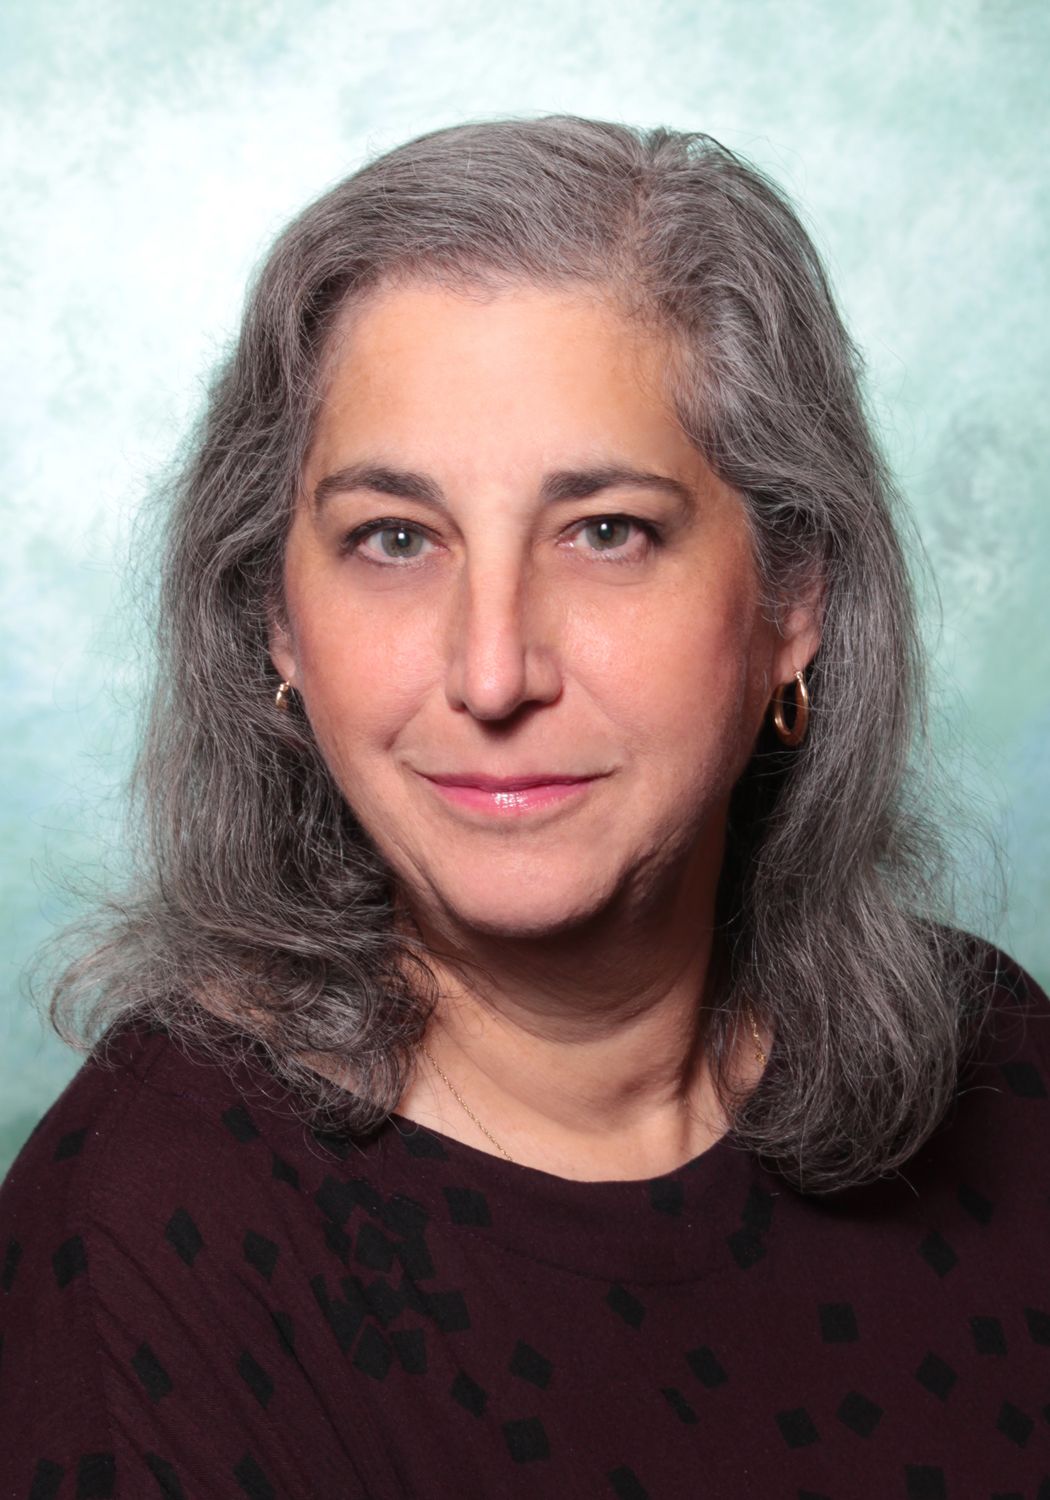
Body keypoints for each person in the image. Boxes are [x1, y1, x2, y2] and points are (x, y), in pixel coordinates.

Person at [0, 114, 1046, 1500]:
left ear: (793, 600)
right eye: (393, 538)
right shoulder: (140, 1228)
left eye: (606, 530)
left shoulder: (1002, 1070)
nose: (492, 672)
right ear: (278, 627)